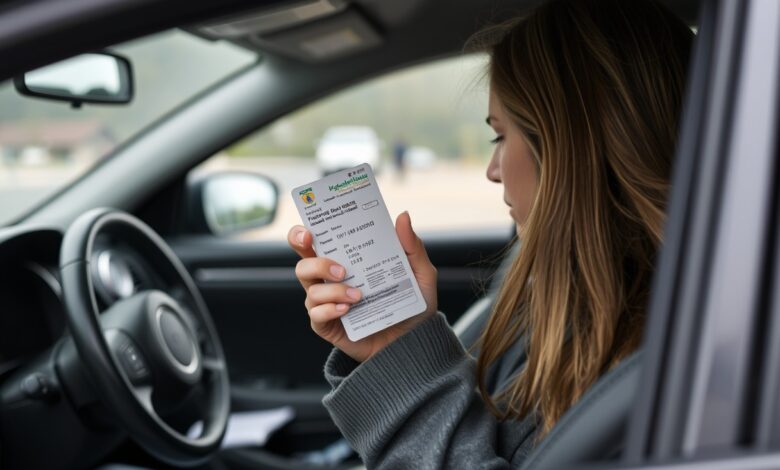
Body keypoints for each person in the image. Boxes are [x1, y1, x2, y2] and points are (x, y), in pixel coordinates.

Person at [287, 0, 693, 467]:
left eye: (499, 136)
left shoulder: (659, 379)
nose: (492, 171)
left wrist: (406, 364)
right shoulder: (569, 309)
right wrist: (394, 344)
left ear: (568, 149)